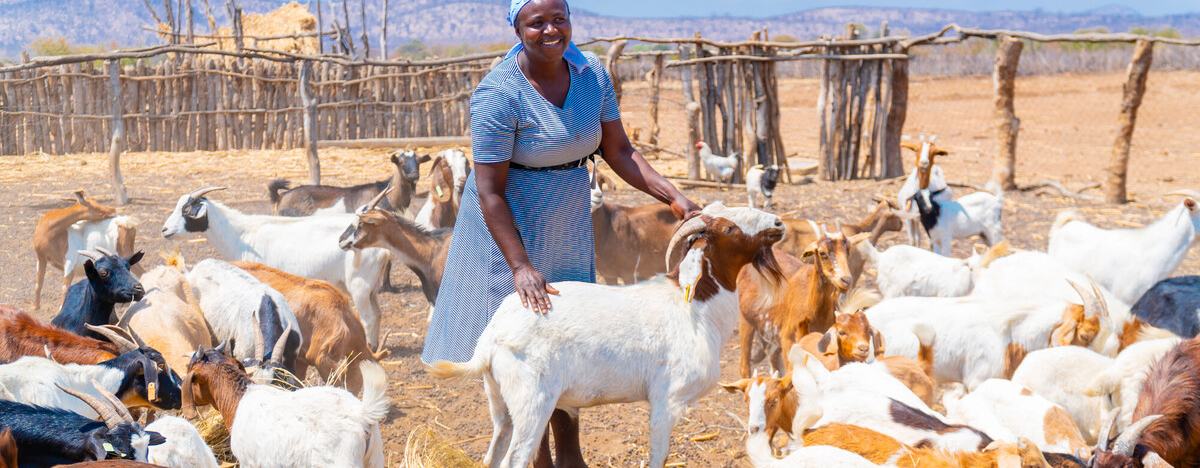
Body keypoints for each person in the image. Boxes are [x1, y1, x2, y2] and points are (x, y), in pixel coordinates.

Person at [421, 0, 702, 465]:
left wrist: (674, 197)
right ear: (517, 29)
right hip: (507, 224)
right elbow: (490, 192)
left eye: (559, 19)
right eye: (537, 23)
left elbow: (619, 150)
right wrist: (520, 266)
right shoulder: (499, 93)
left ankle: (570, 454)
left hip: (567, 216)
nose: (551, 30)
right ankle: (537, 458)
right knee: (525, 338)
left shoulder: (591, 75)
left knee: (567, 331)